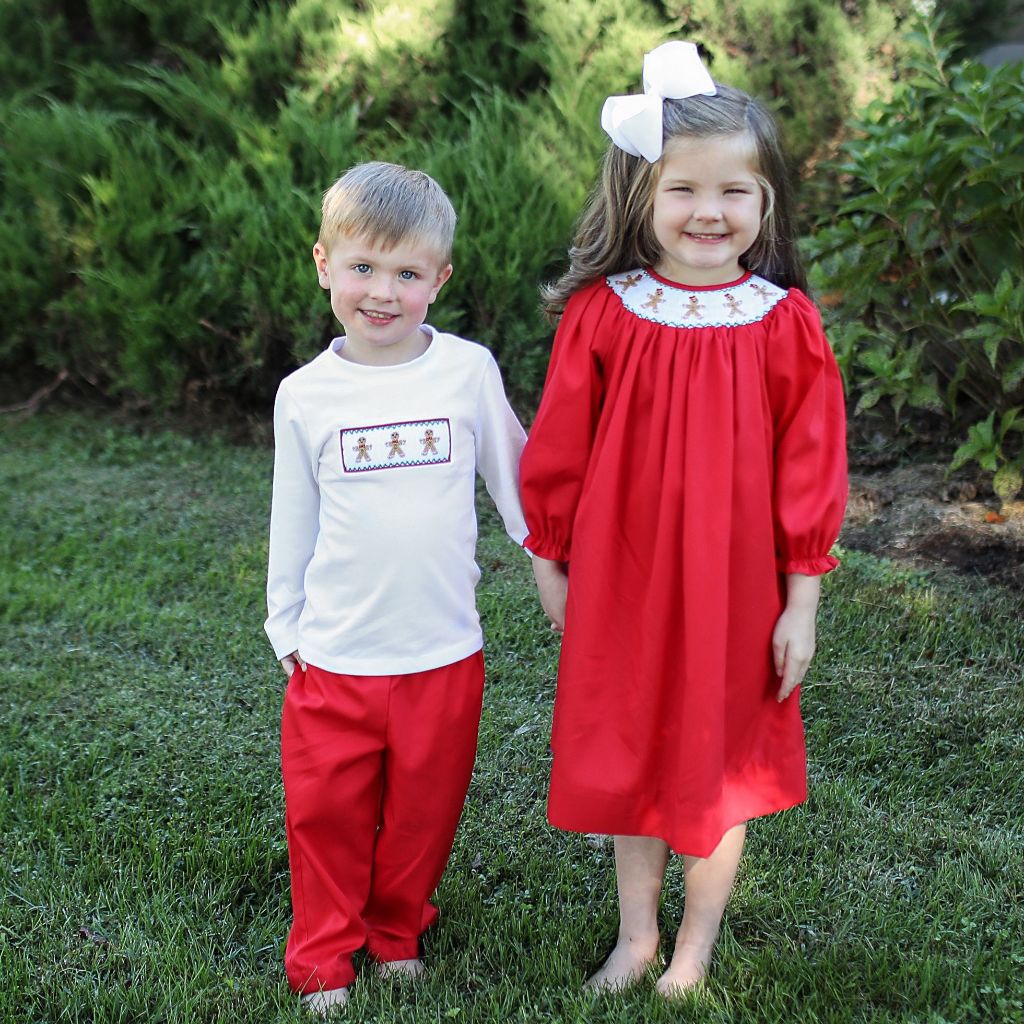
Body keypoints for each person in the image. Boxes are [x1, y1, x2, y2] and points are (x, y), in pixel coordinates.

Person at [518, 41, 848, 998]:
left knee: (717, 760)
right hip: (626, 576)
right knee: (631, 749)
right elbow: (562, 447)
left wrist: (802, 605)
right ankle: (635, 937)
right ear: (641, 200)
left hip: (739, 587)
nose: (710, 211)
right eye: (685, 191)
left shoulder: (782, 323)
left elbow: (809, 473)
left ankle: (694, 949)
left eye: (735, 192)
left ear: (767, 204)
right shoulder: (605, 313)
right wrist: (549, 559)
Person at [265, 162, 528, 1015]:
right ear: (324, 266)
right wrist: (288, 629)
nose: (383, 293)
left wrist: (551, 554)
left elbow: (515, 479)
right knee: (327, 816)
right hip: (336, 654)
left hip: (443, 651)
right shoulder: (305, 395)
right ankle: (323, 959)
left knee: (423, 812)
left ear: (440, 279)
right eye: (363, 269)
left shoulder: (466, 371)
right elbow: (292, 516)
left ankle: (395, 930)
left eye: (408, 274)